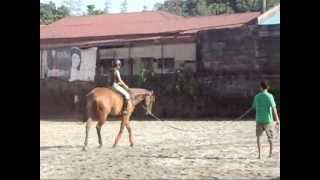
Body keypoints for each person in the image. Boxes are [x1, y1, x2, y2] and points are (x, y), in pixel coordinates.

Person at [241, 80, 280, 159]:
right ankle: (270, 154)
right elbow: (274, 108)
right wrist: (277, 120)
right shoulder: (270, 96)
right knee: (270, 138)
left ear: (261, 87)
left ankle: (259, 155)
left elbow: (254, 107)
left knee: (259, 137)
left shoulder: (257, 96)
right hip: (268, 120)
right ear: (268, 87)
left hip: (259, 119)